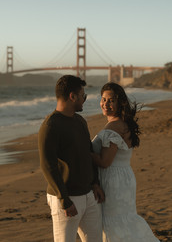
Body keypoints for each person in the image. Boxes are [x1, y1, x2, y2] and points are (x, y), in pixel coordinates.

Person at [38, 75, 104, 242]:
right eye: (83, 96)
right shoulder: (50, 126)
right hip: (66, 198)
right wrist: (64, 200)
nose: (84, 100)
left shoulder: (80, 121)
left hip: (88, 195)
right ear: (72, 96)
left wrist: (95, 183)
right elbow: (48, 166)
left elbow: (88, 153)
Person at [92, 82, 160, 242]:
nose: (105, 104)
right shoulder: (123, 124)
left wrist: (83, 151)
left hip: (113, 181)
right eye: (103, 99)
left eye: (111, 100)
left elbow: (105, 161)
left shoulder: (114, 127)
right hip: (124, 178)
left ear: (120, 102)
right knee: (125, 220)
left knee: (114, 224)